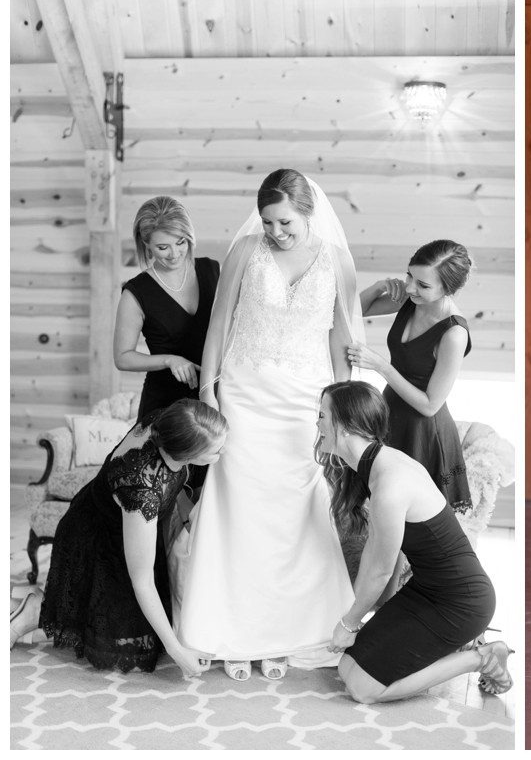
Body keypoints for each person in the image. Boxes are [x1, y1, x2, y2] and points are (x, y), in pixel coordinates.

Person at [176, 168, 363, 682]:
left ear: (308, 212)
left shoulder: (338, 260)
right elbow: (219, 323)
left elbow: (340, 340)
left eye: (285, 223)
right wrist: (208, 388)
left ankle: (287, 632)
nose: (276, 233)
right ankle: (232, 634)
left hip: (305, 403)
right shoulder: (246, 252)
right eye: (268, 222)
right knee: (239, 510)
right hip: (244, 393)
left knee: (296, 514)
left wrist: (338, 409)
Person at [316, 381, 511, 703]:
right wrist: (372, 616)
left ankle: (482, 657)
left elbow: (380, 569)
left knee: (363, 690)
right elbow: (376, 551)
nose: (317, 424)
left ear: (346, 426)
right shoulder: (379, 464)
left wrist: (349, 624)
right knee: (348, 667)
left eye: (322, 415)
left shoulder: (390, 484)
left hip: (461, 603)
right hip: (425, 592)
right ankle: (467, 652)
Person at [9, 399, 227, 678]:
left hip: (123, 526)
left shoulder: (168, 422)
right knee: (126, 644)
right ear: (187, 453)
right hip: (96, 540)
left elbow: (177, 485)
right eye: (216, 450)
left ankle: (32, 604)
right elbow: (143, 581)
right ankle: (33, 611)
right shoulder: (142, 491)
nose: (223, 451)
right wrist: (178, 652)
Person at [349, 241, 474, 514]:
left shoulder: (454, 333)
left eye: (423, 285)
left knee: (409, 520)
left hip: (423, 432)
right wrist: (378, 287)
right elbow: (353, 313)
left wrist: (381, 366)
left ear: (448, 290)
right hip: (389, 414)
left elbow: (430, 405)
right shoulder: (411, 299)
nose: (409, 288)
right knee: (380, 508)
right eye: (409, 276)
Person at [114, 196, 219, 500]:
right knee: (161, 496)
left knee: (207, 493)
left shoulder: (212, 271)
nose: (174, 254)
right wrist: (170, 359)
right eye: (162, 247)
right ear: (146, 244)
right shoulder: (136, 292)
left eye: (181, 243)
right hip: (165, 405)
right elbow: (122, 357)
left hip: (211, 398)